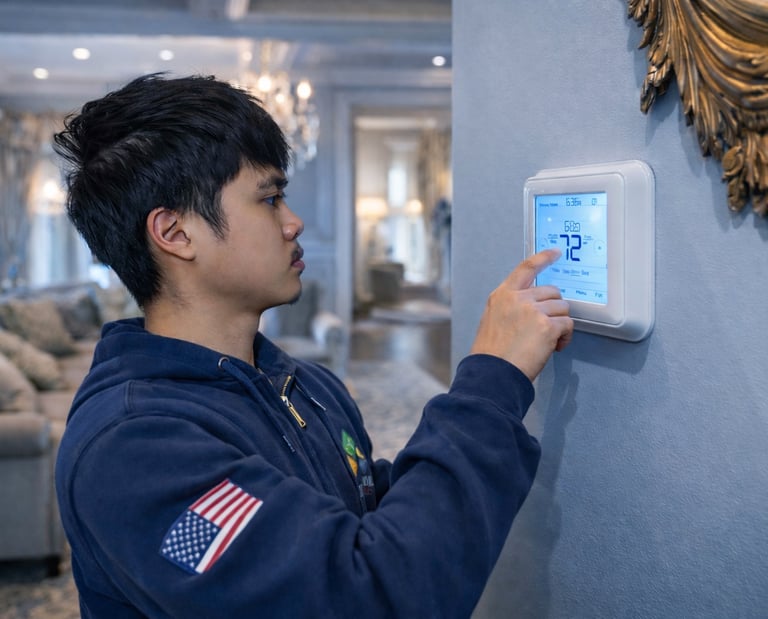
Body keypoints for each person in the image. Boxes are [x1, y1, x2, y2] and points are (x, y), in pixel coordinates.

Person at [53, 73, 573, 619]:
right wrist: (491, 381)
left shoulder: (304, 384)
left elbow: (360, 515)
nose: (294, 222)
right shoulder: (134, 450)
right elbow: (369, 599)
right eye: (270, 198)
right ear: (176, 234)